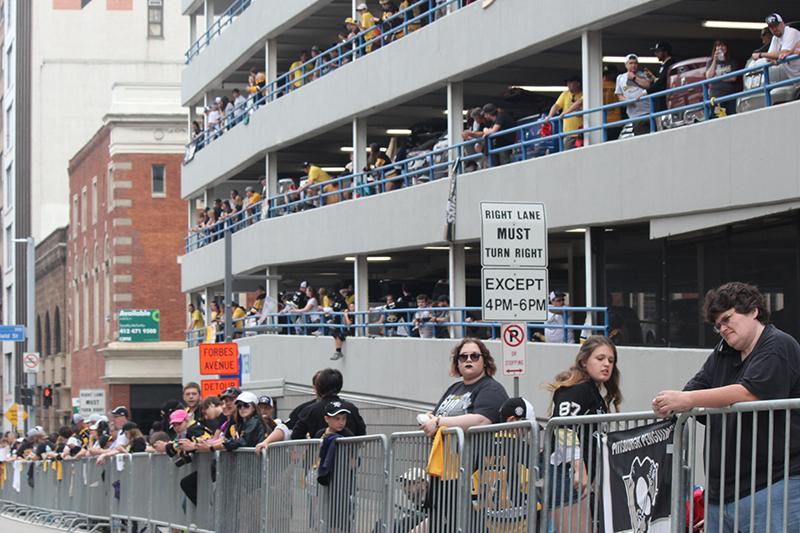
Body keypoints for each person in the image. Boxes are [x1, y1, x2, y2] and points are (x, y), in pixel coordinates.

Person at [652, 282, 800, 531]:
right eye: (717, 325)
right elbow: (692, 391)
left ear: (753, 311)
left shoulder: (777, 344)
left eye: (728, 318)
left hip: (773, 485)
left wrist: (687, 400)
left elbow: (751, 393)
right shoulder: (723, 352)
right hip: (721, 494)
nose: (722, 328)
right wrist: (675, 401)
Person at [418, 339, 508, 531]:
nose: (468, 360)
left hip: (473, 473)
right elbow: (439, 417)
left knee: (469, 524)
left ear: (485, 361)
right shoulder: (454, 389)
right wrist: (430, 417)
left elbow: (482, 420)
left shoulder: (491, 389)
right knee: (447, 522)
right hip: (446, 472)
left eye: (474, 356)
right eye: (463, 357)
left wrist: (439, 422)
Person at [546, 336, 622, 533]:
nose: (606, 364)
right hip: (566, 475)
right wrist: (579, 466)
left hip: (579, 480)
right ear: (584, 361)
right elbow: (563, 427)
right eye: (600, 358)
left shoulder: (594, 392)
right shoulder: (578, 389)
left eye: (611, 360)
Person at [291, 368, 367, 439]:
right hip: (348, 452)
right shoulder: (351, 408)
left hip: (319, 452)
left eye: (343, 418)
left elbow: (296, 435)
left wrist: (311, 443)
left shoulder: (309, 410)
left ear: (318, 386)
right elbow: (361, 434)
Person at [755, 13, 800, 84]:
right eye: (771, 27)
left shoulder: (790, 32)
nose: (774, 29)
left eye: (776, 25)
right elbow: (769, 57)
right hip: (796, 81)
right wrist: (771, 57)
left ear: (782, 23)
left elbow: (783, 53)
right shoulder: (775, 38)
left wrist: (761, 54)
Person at [615, 53, 653, 136]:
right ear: (626, 65)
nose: (633, 65)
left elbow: (648, 85)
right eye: (631, 63)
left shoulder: (643, 74)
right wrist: (626, 100)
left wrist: (634, 78)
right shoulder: (620, 78)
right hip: (634, 115)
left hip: (648, 111)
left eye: (635, 63)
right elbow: (619, 95)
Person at [546, 75, 583, 149]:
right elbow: (556, 106)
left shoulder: (584, 94)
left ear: (578, 83)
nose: (568, 84)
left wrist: (565, 113)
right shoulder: (565, 94)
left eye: (571, 82)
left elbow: (579, 103)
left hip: (582, 132)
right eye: (567, 83)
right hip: (569, 133)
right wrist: (550, 116)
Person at [704, 40, 738, 118]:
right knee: (717, 118)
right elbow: (708, 76)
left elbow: (733, 78)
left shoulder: (732, 61)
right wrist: (715, 60)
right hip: (716, 96)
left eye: (723, 46)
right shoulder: (710, 62)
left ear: (726, 48)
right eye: (718, 46)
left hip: (730, 94)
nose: (720, 48)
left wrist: (717, 78)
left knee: (731, 117)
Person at [649, 42, 676, 129]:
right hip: (661, 104)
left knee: (664, 129)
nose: (656, 54)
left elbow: (662, 83)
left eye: (658, 51)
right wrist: (654, 79)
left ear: (665, 52)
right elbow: (661, 81)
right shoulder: (664, 65)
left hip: (665, 104)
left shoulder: (670, 63)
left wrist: (646, 92)